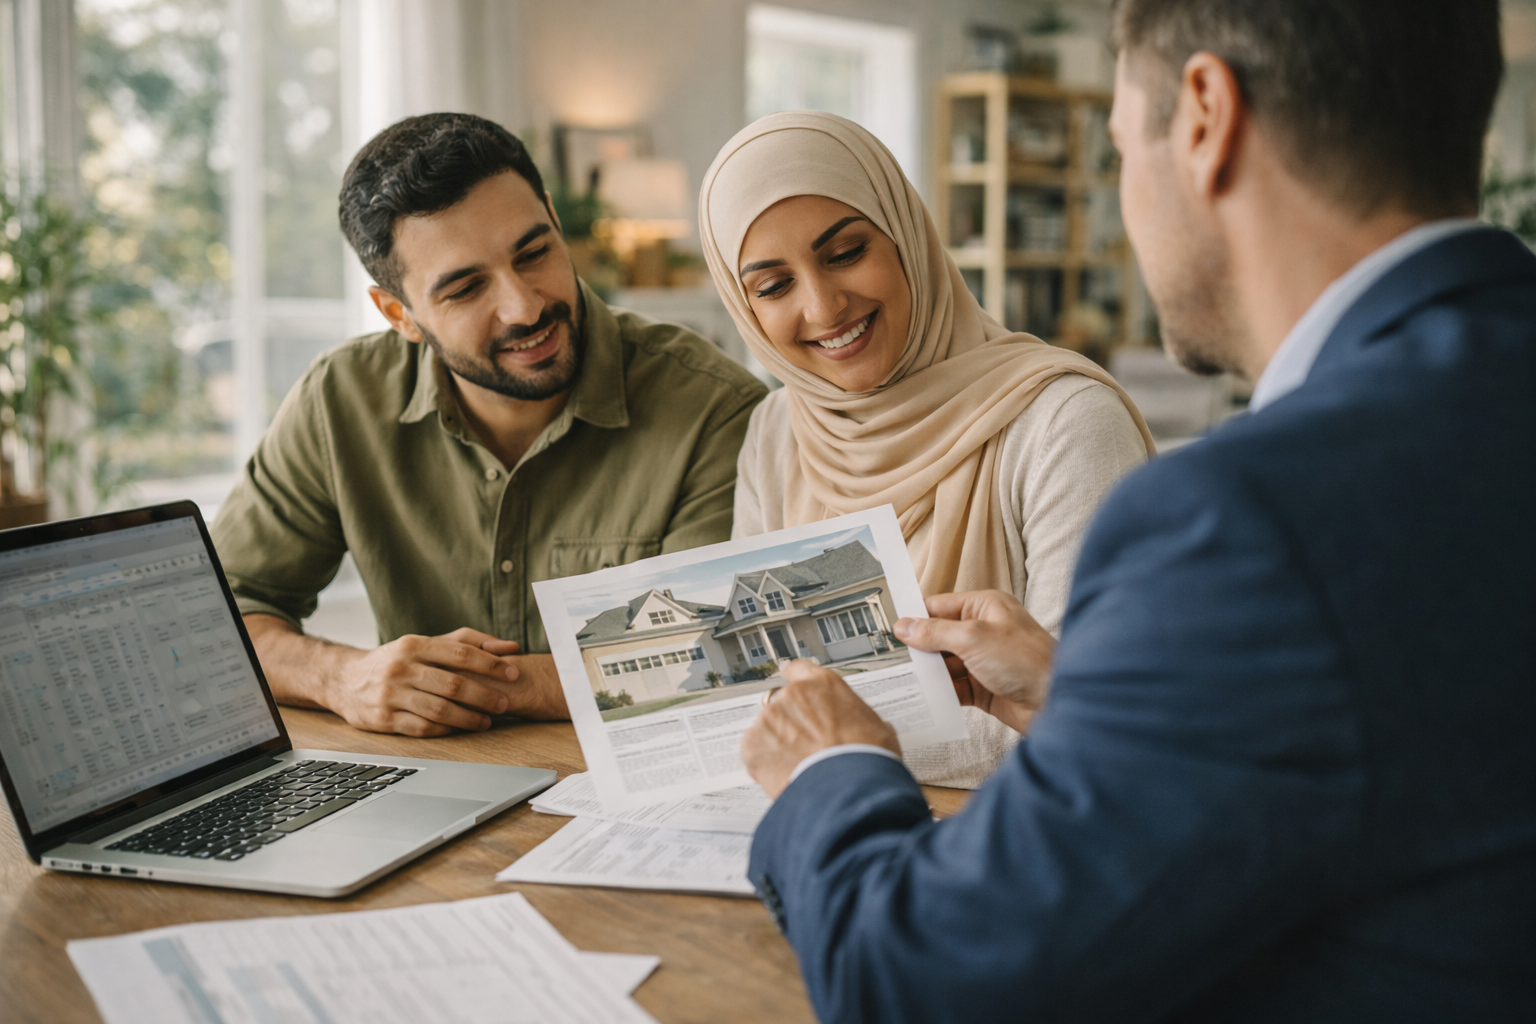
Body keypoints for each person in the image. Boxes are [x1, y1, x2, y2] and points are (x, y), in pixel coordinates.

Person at [739, 0, 1535, 1019]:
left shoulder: (1238, 522)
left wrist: (829, 765)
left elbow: (923, 979)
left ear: (1204, 115)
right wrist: (1082, 699)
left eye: (1118, 147)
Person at [211, 114, 767, 738]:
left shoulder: (716, 410)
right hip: (429, 790)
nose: (524, 306)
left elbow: (717, 646)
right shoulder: (339, 402)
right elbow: (219, 618)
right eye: (466, 288)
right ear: (399, 313)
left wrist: (454, 688)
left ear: (556, 222)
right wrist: (343, 677)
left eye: (534, 254)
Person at [699, 111, 1155, 788]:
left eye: (847, 251)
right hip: (825, 827)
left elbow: (1105, 722)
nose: (824, 308)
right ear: (746, 310)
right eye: (773, 286)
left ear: (907, 238)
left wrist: (840, 748)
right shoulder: (776, 430)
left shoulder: (1065, 420)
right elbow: (752, 696)